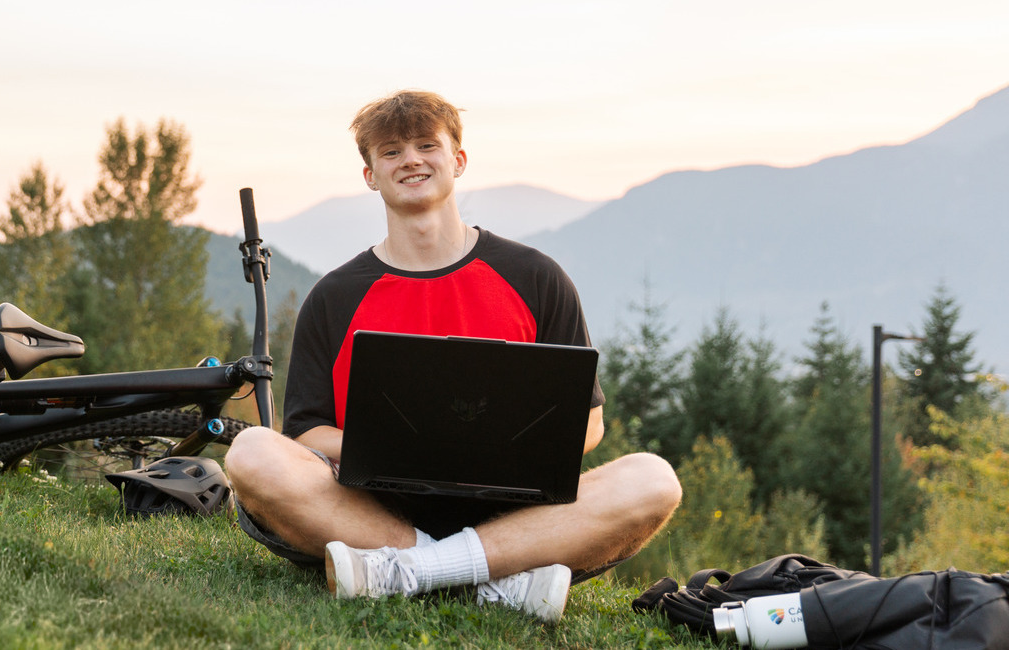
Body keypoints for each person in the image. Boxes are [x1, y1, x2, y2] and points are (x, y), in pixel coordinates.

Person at [223, 90, 682, 623]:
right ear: (370, 174)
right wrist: (412, 454)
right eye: (391, 151)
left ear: (457, 161)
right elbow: (305, 433)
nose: (411, 159)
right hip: (371, 508)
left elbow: (590, 423)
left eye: (426, 145)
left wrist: (490, 454)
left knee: (653, 479)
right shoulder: (335, 296)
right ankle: (493, 580)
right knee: (252, 452)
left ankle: (406, 571)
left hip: (514, 513)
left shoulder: (535, 276)